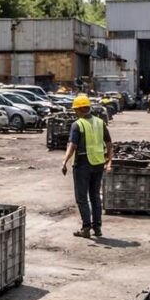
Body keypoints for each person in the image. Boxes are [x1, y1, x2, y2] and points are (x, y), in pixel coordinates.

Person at [60, 94, 112, 238]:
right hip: (98, 163)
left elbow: (73, 145)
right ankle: (97, 227)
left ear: (78, 110)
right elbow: (109, 144)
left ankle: (86, 228)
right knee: (95, 196)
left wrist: (65, 161)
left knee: (82, 198)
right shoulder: (100, 122)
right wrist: (109, 160)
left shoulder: (78, 124)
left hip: (83, 164)